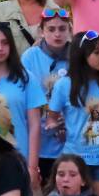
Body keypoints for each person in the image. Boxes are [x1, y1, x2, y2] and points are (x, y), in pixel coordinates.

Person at [48, 32, 99, 196]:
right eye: (97, 52)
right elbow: (52, 117)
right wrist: (57, 126)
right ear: (81, 56)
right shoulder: (63, 85)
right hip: (74, 159)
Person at [0, 23, 44, 192]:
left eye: (5, 42)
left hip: (17, 160)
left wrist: (32, 167)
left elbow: (34, 125)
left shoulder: (26, 78)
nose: (0, 48)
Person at [21, 10, 72, 184]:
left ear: (69, 30)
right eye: (51, 29)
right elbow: (23, 96)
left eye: (62, 28)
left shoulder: (77, 57)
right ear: (41, 31)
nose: (57, 34)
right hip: (39, 141)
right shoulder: (29, 57)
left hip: (69, 142)